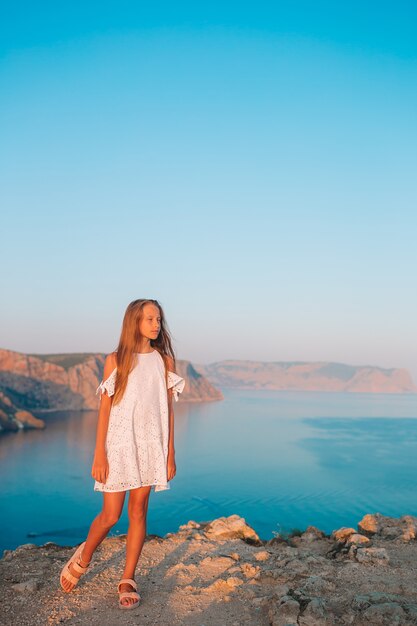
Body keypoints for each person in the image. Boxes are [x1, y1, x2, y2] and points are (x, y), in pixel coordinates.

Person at [60, 299, 185, 610]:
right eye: (149, 319)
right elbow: (105, 410)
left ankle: (128, 577)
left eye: (158, 319)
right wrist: (99, 455)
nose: (156, 324)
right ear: (135, 323)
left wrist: (169, 453)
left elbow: (167, 411)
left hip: (150, 444)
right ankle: (84, 556)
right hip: (119, 445)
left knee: (139, 510)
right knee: (110, 515)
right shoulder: (116, 360)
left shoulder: (164, 362)